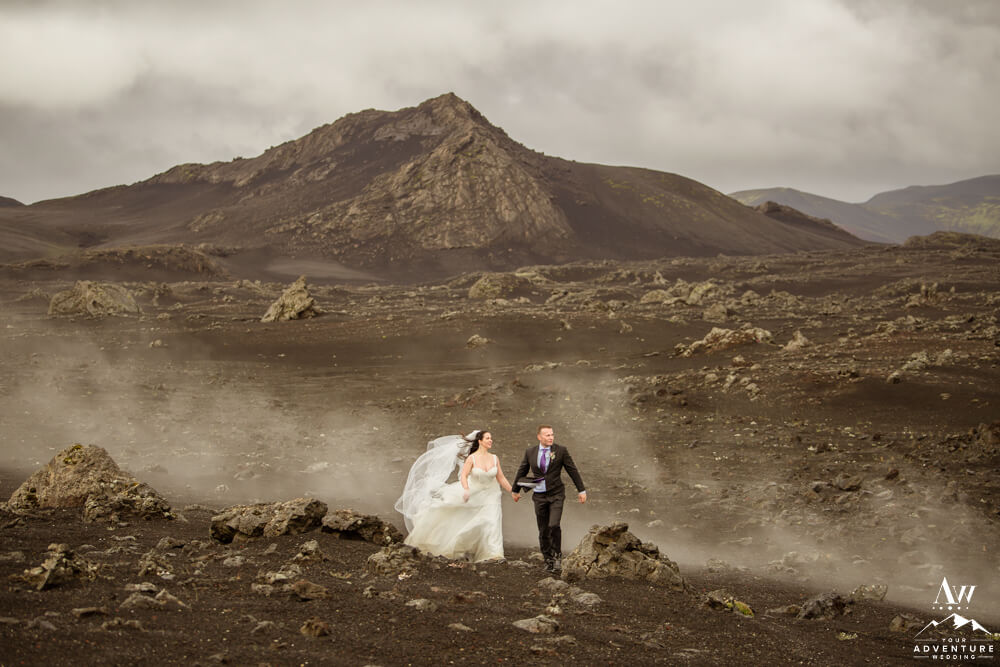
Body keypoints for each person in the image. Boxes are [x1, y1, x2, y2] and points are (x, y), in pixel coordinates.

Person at [395, 430, 516, 562]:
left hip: (492, 493)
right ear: (480, 441)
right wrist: (466, 489)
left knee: (493, 520)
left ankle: (494, 554)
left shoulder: (494, 458)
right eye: (487, 438)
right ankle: (453, 543)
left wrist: (513, 491)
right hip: (475, 491)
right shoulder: (472, 458)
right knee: (462, 516)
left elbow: (501, 477)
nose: (490, 440)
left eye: (491, 438)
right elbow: (463, 475)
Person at [512, 424, 586, 573]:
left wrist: (581, 490)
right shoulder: (530, 452)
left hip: (556, 494)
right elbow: (522, 470)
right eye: (547, 435)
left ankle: (557, 556)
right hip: (539, 496)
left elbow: (572, 470)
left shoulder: (561, 451)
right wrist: (515, 490)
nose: (551, 437)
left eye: (552, 434)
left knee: (554, 525)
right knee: (543, 529)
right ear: (539, 437)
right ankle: (548, 559)